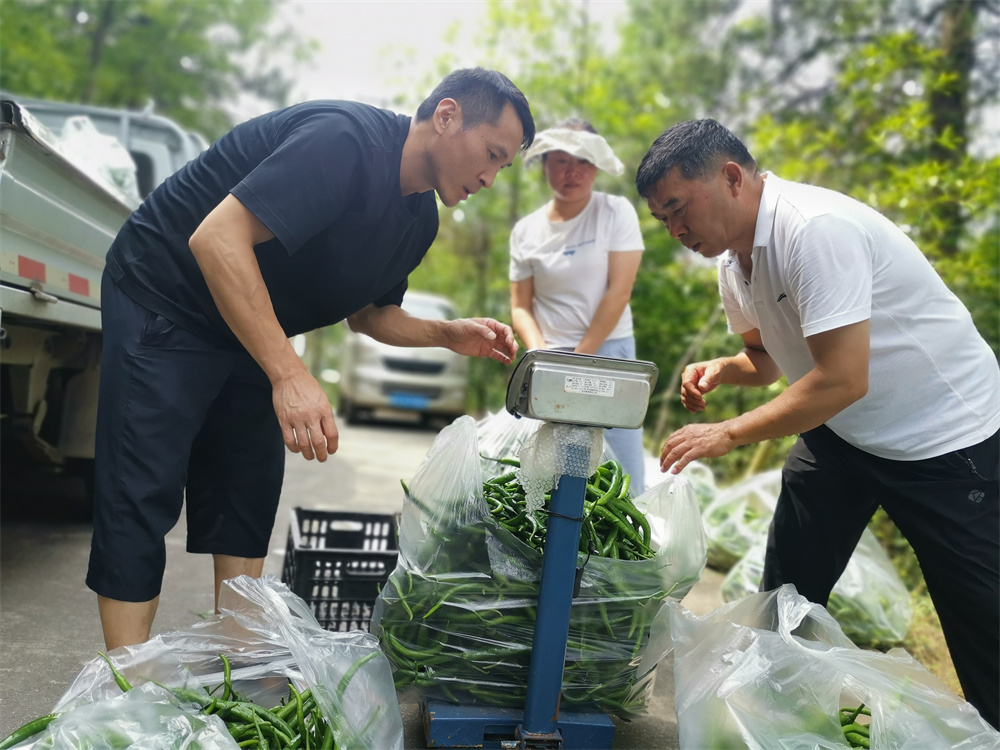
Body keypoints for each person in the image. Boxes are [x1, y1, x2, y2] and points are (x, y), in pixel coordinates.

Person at [87, 68, 536, 651]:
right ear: (447, 117)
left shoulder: (419, 218)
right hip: (169, 296)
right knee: (142, 489)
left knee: (246, 486)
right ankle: (128, 688)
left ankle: (234, 665)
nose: (490, 177)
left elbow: (369, 314)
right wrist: (290, 374)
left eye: (503, 166)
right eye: (492, 154)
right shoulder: (342, 143)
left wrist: (446, 333)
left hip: (253, 323)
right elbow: (216, 240)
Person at [635, 118, 999, 728]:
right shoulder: (734, 263)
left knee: (981, 616)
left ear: (729, 177)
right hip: (843, 431)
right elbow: (769, 358)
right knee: (788, 590)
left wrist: (727, 432)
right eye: (662, 221)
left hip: (940, 436)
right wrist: (724, 369)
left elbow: (840, 377)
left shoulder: (815, 231)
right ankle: (770, 720)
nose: (675, 231)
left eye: (677, 209)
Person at [509, 118, 647, 490]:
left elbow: (619, 291)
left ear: (598, 166)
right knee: (552, 478)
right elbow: (521, 306)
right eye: (561, 161)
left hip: (609, 357)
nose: (573, 172)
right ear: (545, 164)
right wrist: (542, 357)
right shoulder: (526, 231)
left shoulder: (615, 212)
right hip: (550, 361)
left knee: (623, 479)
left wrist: (577, 364)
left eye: (584, 161)